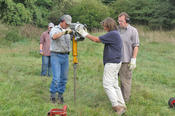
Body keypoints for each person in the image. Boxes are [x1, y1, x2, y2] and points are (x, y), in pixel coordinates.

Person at [77, 17, 126, 115]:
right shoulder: (115, 33)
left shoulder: (112, 34)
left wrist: (84, 33)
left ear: (108, 26)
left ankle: (117, 107)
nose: (104, 28)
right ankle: (122, 105)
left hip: (112, 63)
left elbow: (96, 40)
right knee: (114, 84)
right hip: (116, 62)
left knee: (107, 84)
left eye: (104, 26)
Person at [49, 15, 72, 104]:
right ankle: (53, 96)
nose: (67, 25)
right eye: (66, 24)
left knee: (64, 78)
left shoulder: (68, 29)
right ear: (62, 21)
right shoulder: (55, 29)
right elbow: (54, 37)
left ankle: (60, 95)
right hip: (56, 55)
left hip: (65, 56)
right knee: (56, 78)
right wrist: (64, 32)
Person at [118, 12, 139, 103]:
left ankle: (125, 101)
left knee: (125, 82)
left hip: (126, 61)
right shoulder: (116, 30)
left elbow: (136, 46)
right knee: (114, 82)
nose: (119, 23)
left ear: (127, 20)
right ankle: (117, 99)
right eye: (118, 21)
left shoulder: (133, 31)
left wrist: (133, 59)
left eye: (121, 21)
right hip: (115, 60)